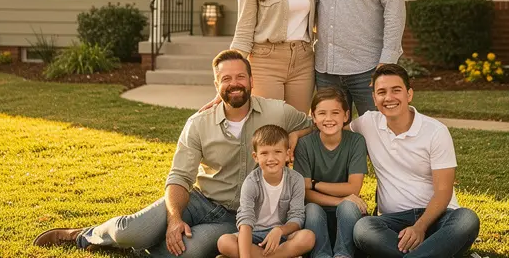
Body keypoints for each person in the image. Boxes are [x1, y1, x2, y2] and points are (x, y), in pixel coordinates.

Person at [32, 50, 313, 257]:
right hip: (199, 201)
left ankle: (142, 250)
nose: (234, 83)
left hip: (237, 217)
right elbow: (179, 177)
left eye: (241, 76)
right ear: (217, 86)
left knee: (187, 253)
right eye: (226, 78)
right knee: (133, 230)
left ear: (251, 81)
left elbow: (315, 127)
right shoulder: (199, 123)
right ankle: (84, 235)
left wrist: (295, 134)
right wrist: (176, 218)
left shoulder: (277, 111)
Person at [350, 64, 480, 258]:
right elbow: (330, 130)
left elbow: (444, 192)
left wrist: (419, 227)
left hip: (439, 219)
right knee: (363, 228)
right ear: (374, 99)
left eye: (396, 90)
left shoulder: (436, 131)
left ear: (409, 94)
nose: (389, 98)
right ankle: (434, 252)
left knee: (467, 219)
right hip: (393, 222)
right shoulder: (368, 123)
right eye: (382, 92)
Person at [217, 125, 316, 258]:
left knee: (307, 237)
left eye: (277, 152)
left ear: (287, 155)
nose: (271, 158)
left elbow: (296, 217)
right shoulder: (251, 182)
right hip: (255, 234)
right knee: (224, 242)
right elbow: (245, 221)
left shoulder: (295, 179)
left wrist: (280, 230)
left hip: (282, 236)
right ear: (255, 156)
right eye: (264, 153)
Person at [296, 87, 369, 258]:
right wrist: (339, 200)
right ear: (313, 117)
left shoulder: (356, 141)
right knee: (312, 209)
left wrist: (315, 184)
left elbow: (353, 189)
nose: (328, 119)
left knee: (349, 206)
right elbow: (305, 193)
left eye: (335, 113)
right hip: (316, 212)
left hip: (346, 213)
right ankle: (321, 255)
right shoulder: (304, 145)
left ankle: (343, 254)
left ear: (346, 115)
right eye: (321, 113)